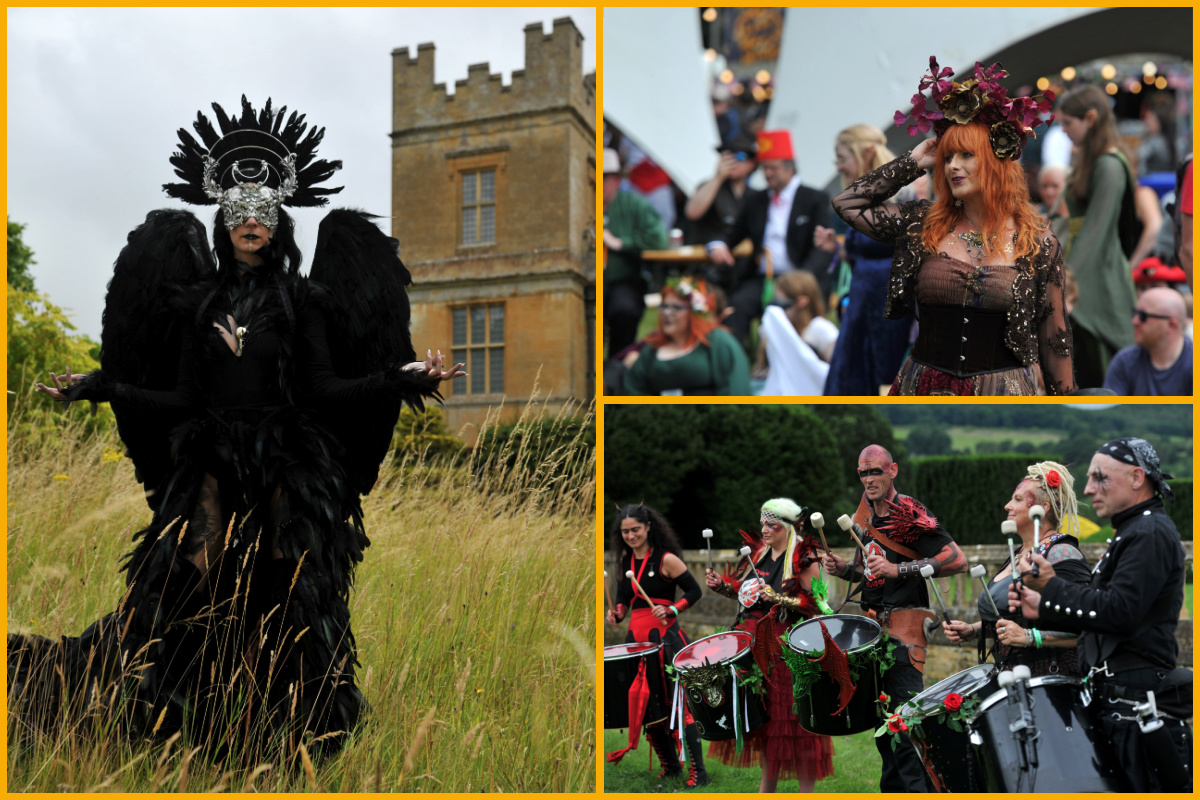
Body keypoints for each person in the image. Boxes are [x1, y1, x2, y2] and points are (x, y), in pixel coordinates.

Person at [10, 97, 463, 757]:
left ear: (279, 221)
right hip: (212, 458)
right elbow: (180, 398)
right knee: (184, 579)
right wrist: (100, 388)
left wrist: (402, 378)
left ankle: (289, 737)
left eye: (263, 211)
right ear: (223, 220)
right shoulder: (199, 304)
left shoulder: (303, 300)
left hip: (287, 462)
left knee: (291, 588)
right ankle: (149, 713)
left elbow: (325, 389)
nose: (251, 220)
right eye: (238, 211)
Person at [838, 59, 1074, 395]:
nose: (952, 166)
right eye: (947, 157)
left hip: (1004, 393)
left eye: (966, 155)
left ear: (995, 162)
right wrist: (913, 162)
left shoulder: (1037, 241)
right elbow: (848, 204)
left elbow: (1055, 339)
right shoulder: (922, 223)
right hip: (924, 387)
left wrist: (1062, 406)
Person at [1009, 438, 1191, 793]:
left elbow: (1120, 613)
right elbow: (1102, 609)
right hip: (1121, 704)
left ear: (1137, 477)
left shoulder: (1149, 533)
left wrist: (1052, 587)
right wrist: (1043, 605)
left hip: (1138, 707)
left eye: (1101, 478)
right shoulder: (1134, 531)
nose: (1089, 488)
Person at [822, 444, 967, 792]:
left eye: (876, 471)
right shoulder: (865, 517)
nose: (869, 479)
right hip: (870, 635)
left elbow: (956, 559)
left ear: (892, 471)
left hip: (903, 636)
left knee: (905, 729)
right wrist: (844, 570)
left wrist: (898, 568)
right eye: (863, 473)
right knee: (885, 734)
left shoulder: (910, 512)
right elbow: (871, 573)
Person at [705, 498, 834, 793]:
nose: (764, 529)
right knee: (765, 723)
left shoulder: (804, 556)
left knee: (795, 724)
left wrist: (778, 598)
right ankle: (767, 789)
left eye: (771, 524)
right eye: (762, 523)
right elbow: (747, 596)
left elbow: (815, 604)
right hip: (754, 648)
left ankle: (806, 793)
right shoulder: (758, 554)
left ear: (787, 527)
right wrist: (723, 586)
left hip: (786, 648)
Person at [943, 461, 1091, 676]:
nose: (1007, 506)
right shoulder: (1018, 554)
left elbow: (1086, 629)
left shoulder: (1061, 553)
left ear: (1043, 509)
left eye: (1018, 499)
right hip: (1007, 676)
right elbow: (1013, 621)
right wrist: (973, 630)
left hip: (1050, 679)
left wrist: (1030, 638)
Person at [606, 504, 709, 788]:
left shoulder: (666, 559)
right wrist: (615, 613)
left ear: (648, 527)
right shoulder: (625, 562)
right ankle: (671, 766)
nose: (630, 535)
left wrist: (673, 609)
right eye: (625, 531)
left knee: (681, 705)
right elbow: (623, 600)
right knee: (649, 705)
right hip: (635, 642)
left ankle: (699, 772)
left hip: (665, 639)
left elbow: (694, 591)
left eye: (635, 529)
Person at [707, 130, 836, 344]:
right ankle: (733, 365)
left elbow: (821, 247)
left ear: (790, 168)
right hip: (764, 279)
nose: (767, 174)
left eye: (773, 168)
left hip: (801, 276)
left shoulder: (814, 199)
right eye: (764, 168)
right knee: (736, 306)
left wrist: (802, 278)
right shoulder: (756, 200)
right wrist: (718, 244)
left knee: (797, 308)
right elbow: (733, 233)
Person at [819, 124, 918, 396]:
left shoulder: (903, 198)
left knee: (882, 375)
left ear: (867, 153)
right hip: (861, 303)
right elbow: (862, 253)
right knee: (849, 375)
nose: (838, 167)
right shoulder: (860, 200)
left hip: (889, 305)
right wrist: (837, 248)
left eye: (842, 159)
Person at [1057, 84, 1137, 388]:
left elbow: (1099, 227)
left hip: (1098, 271)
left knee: (1100, 359)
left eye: (1068, 123)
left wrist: (1069, 277)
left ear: (1090, 118)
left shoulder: (1109, 164)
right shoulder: (1090, 161)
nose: (1063, 130)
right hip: (1083, 262)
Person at [623, 277, 751, 395]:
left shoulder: (717, 340)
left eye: (676, 307)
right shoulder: (652, 349)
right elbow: (633, 390)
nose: (667, 313)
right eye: (664, 306)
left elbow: (736, 389)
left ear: (694, 312)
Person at [604, 147, 669, 358]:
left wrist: (621, 243)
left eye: (605, 178)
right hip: (587, 280)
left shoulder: (634, 204)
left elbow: (659, 239)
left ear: (616, 180)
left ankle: (617, 364)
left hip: (622, 280)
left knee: (624, 310)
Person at [756, 270, 836, 395]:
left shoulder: (820, 329)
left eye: (781, 302)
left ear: (801, 302)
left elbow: (837, 370)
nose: (776, 307)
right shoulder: (770, 329)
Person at [1102, 287, 1192, 395]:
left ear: (1171, 325)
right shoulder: (1125, 361)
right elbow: (1111, 409)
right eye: (1135, 313)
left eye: (1143, 316)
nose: (1134, 321)